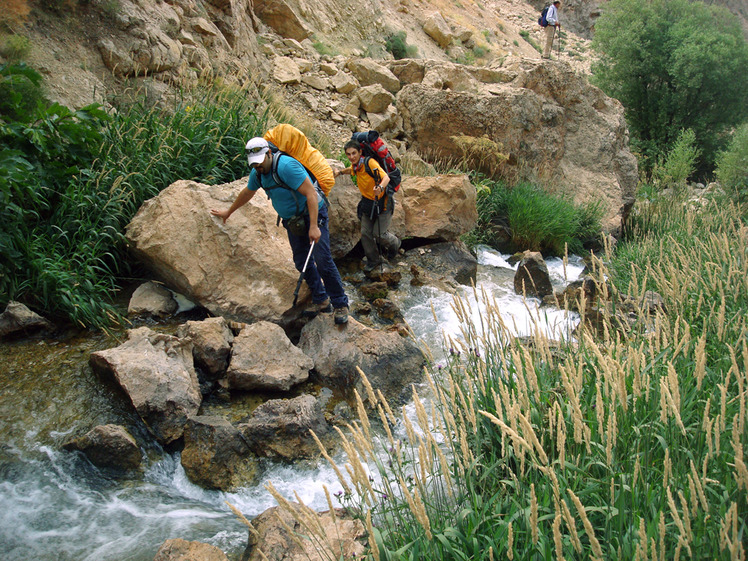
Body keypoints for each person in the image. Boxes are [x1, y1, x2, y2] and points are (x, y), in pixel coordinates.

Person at [210, 137, 349, 324]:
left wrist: (314, 226)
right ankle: (322, 301)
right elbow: (247, 193)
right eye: (254, 165)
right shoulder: (258, 173)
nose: (257, 167)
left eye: (259, 163)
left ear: (269, 154)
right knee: (301, 262)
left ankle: (340, 304)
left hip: (313, 214)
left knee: (322, 260)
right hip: (293, 221)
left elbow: (311, 194)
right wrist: (229, 211)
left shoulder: (285, 167)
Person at [334, 139, 401, 273]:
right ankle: (374, 260)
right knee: (365, 233)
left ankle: (396, 244)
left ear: (360, 152)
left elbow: (386, 177)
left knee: (379, 233)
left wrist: (380, 187)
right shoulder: (356, 166)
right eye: (348, 154)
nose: (351, 157)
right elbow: (351, 170)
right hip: (367, 204)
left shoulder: (370, 162)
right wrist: (340, 172)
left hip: (383, 204)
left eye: (354, 153)